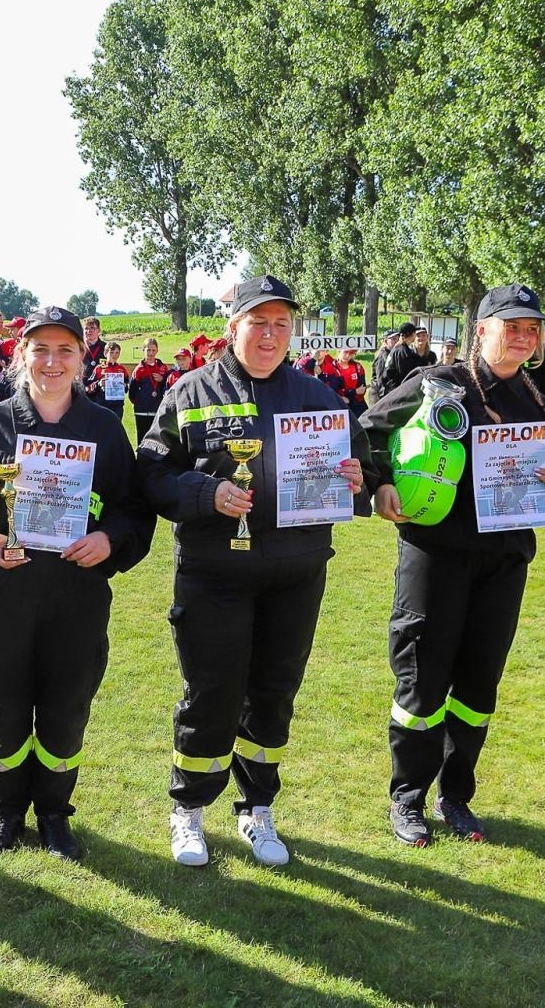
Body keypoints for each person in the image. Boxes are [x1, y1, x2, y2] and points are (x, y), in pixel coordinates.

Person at [139, 276, 369, 868]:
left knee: (273, 693)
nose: (269, 335)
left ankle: (256, 807)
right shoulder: (190, 392)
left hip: (296, 573)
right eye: (257, 322)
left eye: (281, 324)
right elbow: (150, 475)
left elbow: (363, 465)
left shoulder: (318, 397)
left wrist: (354, 478)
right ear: (232, 327)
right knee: (212, 692)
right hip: (215, 573)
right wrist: (203, 492)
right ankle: (188, 810)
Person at [0, 306, 153, 859]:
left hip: (76, 595)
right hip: (2, 595)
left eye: (65, 351)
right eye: (40, 350)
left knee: (65, 704)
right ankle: (6, 811)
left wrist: (108, 541)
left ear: (82, 359)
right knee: (2, 706)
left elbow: (133, 508)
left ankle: (54, 812)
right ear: (20, 355)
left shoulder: (103, 428)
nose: (52, 362)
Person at [361, 283, 545, 847]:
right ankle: (407, 799)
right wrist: (379, 486)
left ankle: (456, 796)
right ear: (482, 330)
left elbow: (544, 485)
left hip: (504, 560)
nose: (525, 338)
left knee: (478, 685)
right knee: (423, 681)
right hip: (437, 555)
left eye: (533, 329)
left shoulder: (534, 399)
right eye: (513, 327)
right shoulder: (439, 383)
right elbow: (369, 429)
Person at [129, 338, 170, 442]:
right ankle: (142, 458)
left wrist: (162, 379)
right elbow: (132, 392)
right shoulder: (139, 369)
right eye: (148, 350)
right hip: (142, 411)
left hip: (158, 410)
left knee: (158, 440)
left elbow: (169, 387)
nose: (151, 353)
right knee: (142, 439)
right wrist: (140, 402)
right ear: (143, 350)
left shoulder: (163, 368)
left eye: (153, 350)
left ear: (157, 351)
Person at [380, 322, 423, 394]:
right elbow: (405, 374)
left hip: (394, 389)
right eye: (414, 333)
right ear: (411, 334)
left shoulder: (401, 348)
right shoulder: (402, 351)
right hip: (395, 391)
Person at [91, 341, 129, 424]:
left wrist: (125, 386)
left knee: (115, 430)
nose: (114, 355)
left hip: (117, 406)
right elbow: (89, 387)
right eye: (111, 352)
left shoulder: (122, 369)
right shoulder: (99, 368)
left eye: (117, 353)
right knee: (102, 430)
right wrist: (99, 384)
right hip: (102, 405)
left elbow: (127, 387)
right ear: (105, 353)